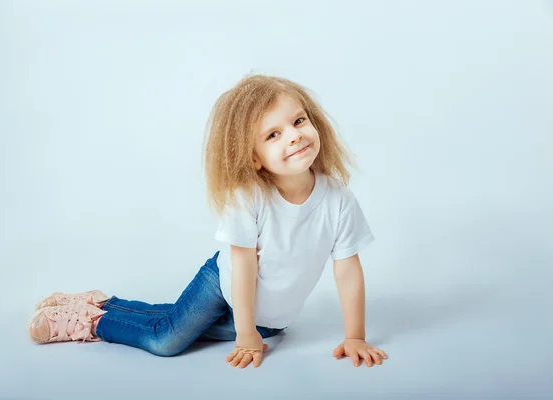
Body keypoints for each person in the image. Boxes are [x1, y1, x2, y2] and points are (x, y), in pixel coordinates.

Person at [28, 74, 388, 369]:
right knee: (168, 339)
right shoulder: (250, 197)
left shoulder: (338, 201)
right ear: (255, 158)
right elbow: (243, 263)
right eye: (273, 134)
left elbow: (347, 271)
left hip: (271, 320)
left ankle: (101, 301)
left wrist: (354, 335)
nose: (294, 135)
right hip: (223, 284)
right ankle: (90, 322)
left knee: (176, 320)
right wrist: (245, 332)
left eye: (298, 121)